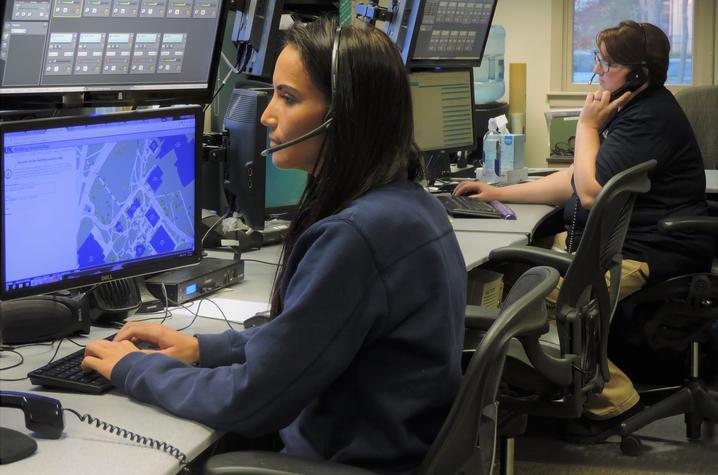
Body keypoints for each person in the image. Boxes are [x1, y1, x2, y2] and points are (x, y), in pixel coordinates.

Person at [81, 18, 467, 473]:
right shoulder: (408, 203)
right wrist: (203, 349)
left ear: (343, 115)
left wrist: (134, 369)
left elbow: (248, 401)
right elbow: (304, 338)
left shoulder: (357, 237)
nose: (267, 115)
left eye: (288, 97)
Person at [454, 20, 712, 443]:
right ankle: (557, 387)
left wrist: (587, 127)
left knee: (539, 299)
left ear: (638, 74)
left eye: (606, 63)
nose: (597, 70)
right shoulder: (632, 108)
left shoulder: (649, 118)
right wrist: (498, 192)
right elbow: (576, 178)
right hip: (618, 241)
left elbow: (590, 194)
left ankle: (613, 400)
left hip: (649, 249)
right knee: (520, 268)